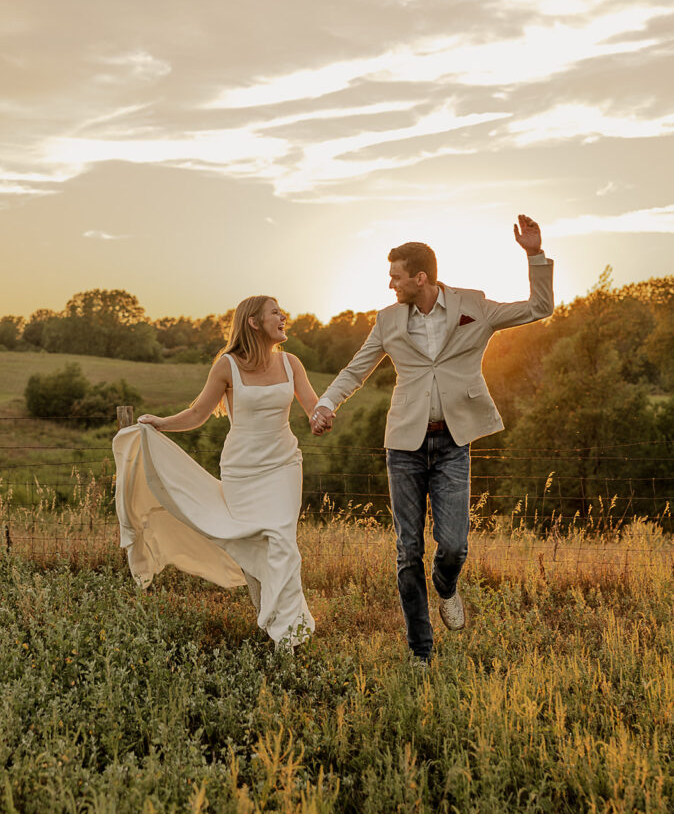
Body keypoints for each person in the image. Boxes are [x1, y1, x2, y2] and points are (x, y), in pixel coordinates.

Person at [310, 215, 554, 662]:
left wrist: (534, 254)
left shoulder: (474, 306)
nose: (390, 285)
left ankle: (447, 585)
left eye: (396, 277)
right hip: (403, 444)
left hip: (453, 442)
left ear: (419, 278)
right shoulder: (387, 321)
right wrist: (327, 404)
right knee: (408, 549)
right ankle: (421, 650)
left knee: (455, 544)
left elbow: (539, 308)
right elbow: (356, 369)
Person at [113, 295, 318, 650]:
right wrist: (160, 423)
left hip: (284, 464)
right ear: (253, 322)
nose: (283, 317)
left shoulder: (291, 363)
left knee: (282, 540)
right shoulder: (228, 366)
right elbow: (197, 414)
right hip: (242, 470)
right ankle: (271, 613)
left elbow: (314, 407)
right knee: (254, 539)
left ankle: (289, 635)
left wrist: (324, 417)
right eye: (275, 313)